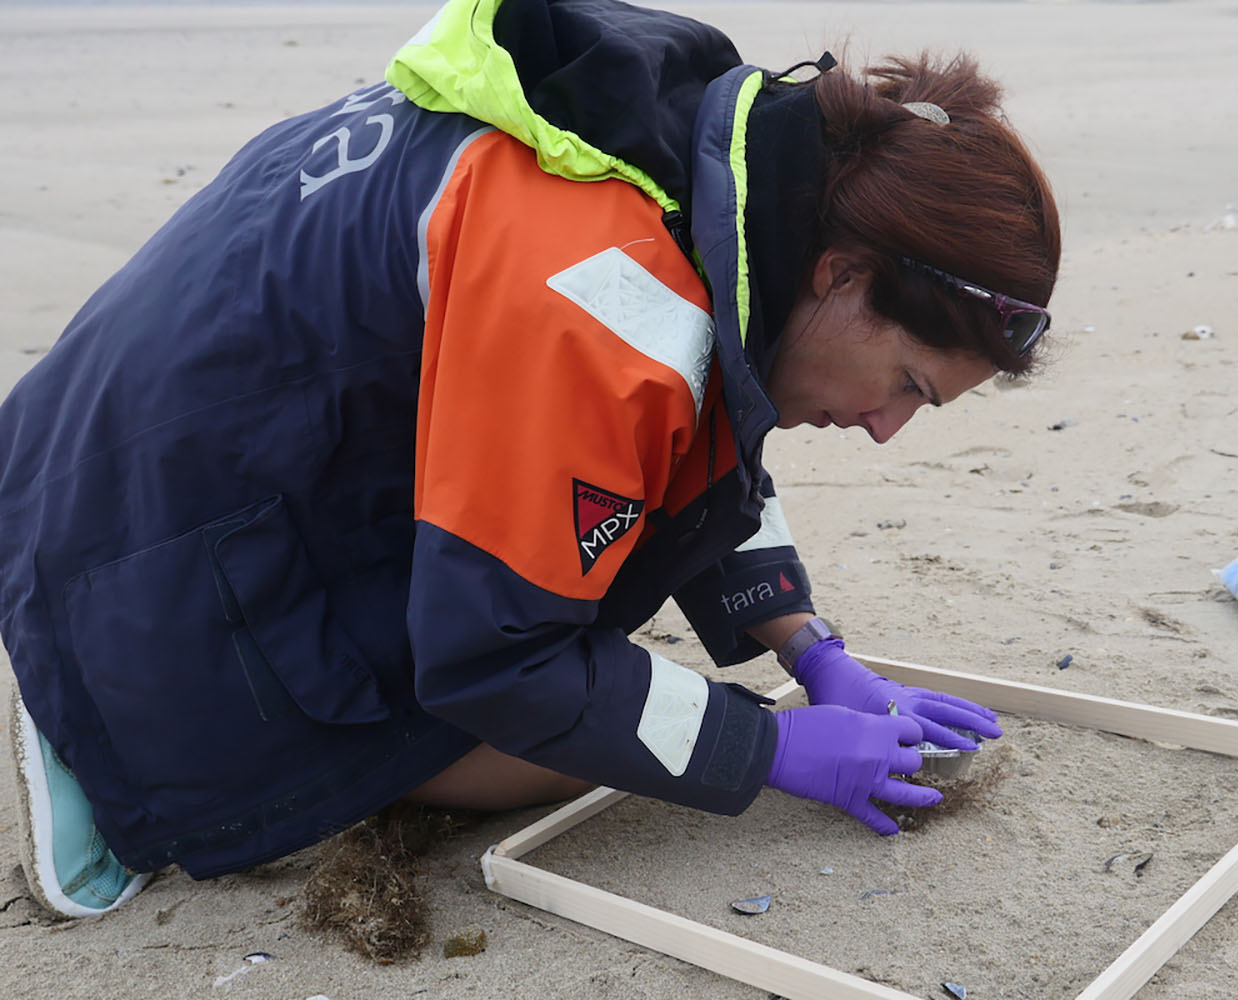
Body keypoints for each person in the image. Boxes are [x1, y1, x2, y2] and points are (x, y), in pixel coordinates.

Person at [0, 0, 1059, 919]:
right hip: (124, 520)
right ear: (841, 270)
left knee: (588, 654)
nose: (885, 428)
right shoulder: (609, 291)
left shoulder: (701, 153)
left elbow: (694, 436)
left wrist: (811, 650)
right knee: (534, 747)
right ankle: (89, 718)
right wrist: (771, 751)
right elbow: (497, 660)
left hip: (164, 422)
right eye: (910, 385)